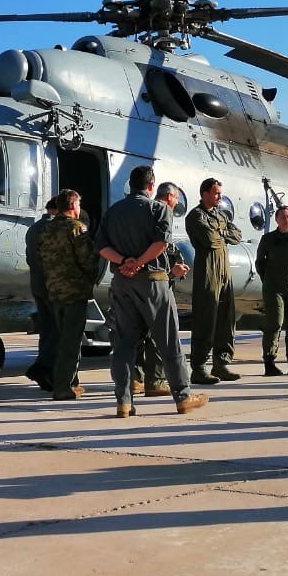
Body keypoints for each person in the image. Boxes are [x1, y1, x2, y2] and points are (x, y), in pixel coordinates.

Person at [94, 165, 208, 418]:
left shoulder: (113, 212)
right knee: (168, 341)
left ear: (130, 185)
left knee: (124, 344)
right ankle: (183, 396)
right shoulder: (159, 209)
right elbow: (161, 243)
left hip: (122, 282)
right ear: (151, 186)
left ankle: (123, 402)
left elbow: (101, 248)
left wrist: (125, 262)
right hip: (153, 282)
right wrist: (141, 262)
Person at [127, 182, 189, 399]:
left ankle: (134, 380)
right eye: (177, 199)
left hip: (134, 283)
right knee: (160, 336)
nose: (177, 203)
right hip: (155, 284)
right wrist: (172, 273)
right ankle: (157, 382)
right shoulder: (161, 213)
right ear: (170, 197)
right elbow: (158, 252)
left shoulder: (139, 214)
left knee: (136, 333)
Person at [36, 189, 96, 400]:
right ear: (73, 206)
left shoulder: (46, 230)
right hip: (74, 292)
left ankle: (70, 382)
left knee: (63, 338)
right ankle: (62, 387)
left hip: (54, 292)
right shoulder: (77, 229)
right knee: (71, 341)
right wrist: (90, 280)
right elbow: (89, 261)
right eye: (78, 205)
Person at [185, 177, 244, 384]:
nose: (220, 196)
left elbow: (237, 235)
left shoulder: (221, 215)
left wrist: (223, 232)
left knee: (226, 320)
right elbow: (210, 240)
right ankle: (199, 368)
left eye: (220, 193)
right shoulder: (195, 216)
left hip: (224, 273)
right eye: (216, 193)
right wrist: (222, 234)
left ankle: (221, 363)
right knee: (205, 320)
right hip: (208, 274)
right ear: (205, 194)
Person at [255, 204, 288, 375]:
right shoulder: (268, 239)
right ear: (276, 219)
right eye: (283, 217)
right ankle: (269, 362)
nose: (286, 220)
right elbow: (259, 263)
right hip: (273, 287)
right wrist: (267, 279)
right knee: (274, 323)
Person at [23, 202, 60, 391]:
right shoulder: (54, 229)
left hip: (37, 284)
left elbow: (29, 258)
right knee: (59, 330)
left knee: (46, 329)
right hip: (53, 286)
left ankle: (46, 371)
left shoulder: (33, 228)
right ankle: (43, 367)